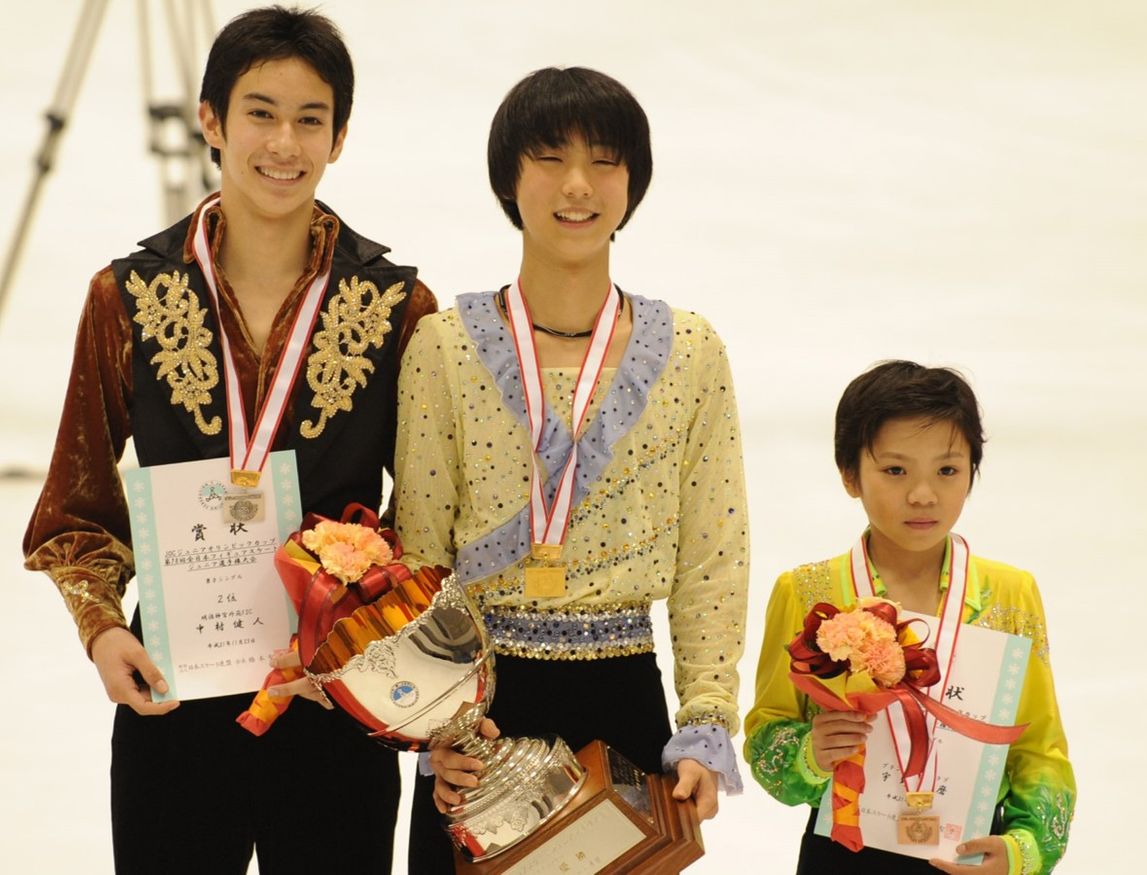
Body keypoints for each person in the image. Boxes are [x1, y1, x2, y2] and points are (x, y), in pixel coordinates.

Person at [22, 7, 435, 873]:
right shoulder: (127, 297)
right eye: (259, 112)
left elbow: (433, 514)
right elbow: (76, 508)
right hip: (172, 700)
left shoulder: (398, 308)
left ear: (340, 136)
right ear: (211, 120)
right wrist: (104, 633)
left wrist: (373, 607)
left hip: (334, 701)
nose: (283, 143)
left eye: (309, 119)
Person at [393, 66, 750, 871]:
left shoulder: (690, 352)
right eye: (551, 157)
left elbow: (712, 558)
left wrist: (703, 723)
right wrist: (435, 730)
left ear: (635, 182)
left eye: (606, 161)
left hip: (625, 702)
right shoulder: (444, 348)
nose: (578, 185)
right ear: (508, 178)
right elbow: (418, 555)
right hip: (478, 717)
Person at [744, 361, 1075, 874]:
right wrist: (810, 751)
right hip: (845, 850)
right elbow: (766, 732)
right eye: (896, 470)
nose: (923, 495)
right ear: (850, 475)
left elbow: (1039, 748)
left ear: (972, 472)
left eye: (947, 470)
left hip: (969, 854)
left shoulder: (1010, 594)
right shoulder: (808, 592)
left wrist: (1023, 850)